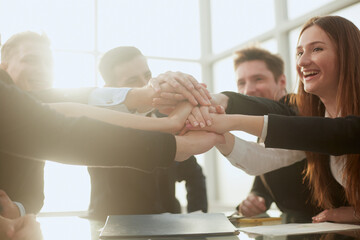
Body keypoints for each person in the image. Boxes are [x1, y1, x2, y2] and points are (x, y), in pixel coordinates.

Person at [185, 15, 360, 224]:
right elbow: (261, 158)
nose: (302, 61)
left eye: (317, 49)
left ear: (348, 54)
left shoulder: (302, 115)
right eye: (300, 52)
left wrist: (228, 113)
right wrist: (217, 133)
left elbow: (339, 133)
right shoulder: (317, 115)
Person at [86, 46, 207, 220]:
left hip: (167, 229)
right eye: (132, 81)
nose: (146, 85)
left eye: (148, 76)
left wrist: (199, 221)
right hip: (111, 229)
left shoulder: (169, 119)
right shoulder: (99, 126)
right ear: (110, 91)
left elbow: (194, 173)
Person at [232, 47, 320, 222]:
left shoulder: (299, 113)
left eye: (258, 79)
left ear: (281, 81)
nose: (248, 90)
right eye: (241, 83)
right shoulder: (264, 125)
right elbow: (263, 182)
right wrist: (254, 199)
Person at [0, 31, 51, 218]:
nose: (44, 69)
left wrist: (16, 209)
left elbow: (35, 196)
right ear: (3, 69)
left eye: (49, 63)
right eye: (31, 60)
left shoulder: (38, 122)